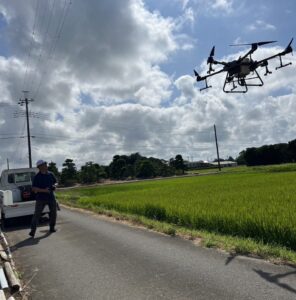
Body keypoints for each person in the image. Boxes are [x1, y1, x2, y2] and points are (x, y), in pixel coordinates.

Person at [29, 160, 57, 238]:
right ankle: (32, 231)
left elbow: (56, 182)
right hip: (40, 198)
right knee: (37, 215)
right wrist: (44, 190)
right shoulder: (37, 177)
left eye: (46, 164)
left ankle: (52, 228)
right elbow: (34, 188)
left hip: (51, 197)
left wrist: (54, 185)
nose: (46, 165)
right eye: (44, 164)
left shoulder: (51, 174)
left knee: (53, 213)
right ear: (40, 167)